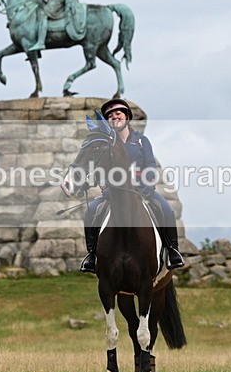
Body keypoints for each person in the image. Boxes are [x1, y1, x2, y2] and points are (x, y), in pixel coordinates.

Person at [78, 98, 185, 274]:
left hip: (142, 190)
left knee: (166, 209)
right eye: (110, 116)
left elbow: (150, 165)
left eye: (117, 113)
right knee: (91, 211)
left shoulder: (142, 141)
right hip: (114, 193)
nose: (114, 117)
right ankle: (92, 255)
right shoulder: (107, 145)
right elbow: (100, 170)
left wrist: (147, 186)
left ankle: (173, 250)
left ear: (126, 117)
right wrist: (104, 187)